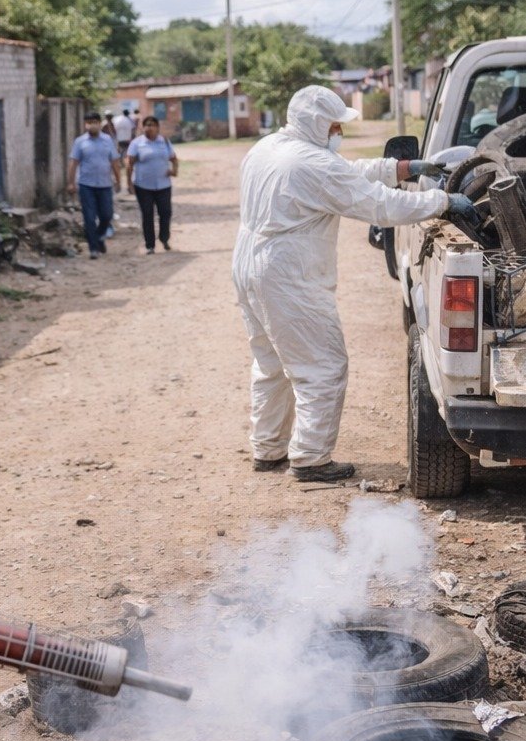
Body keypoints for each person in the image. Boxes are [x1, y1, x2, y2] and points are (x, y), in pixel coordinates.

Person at [231, 85, 477, 483]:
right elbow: (378, 204)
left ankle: (268, 448)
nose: (337, 133)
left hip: (249, 264)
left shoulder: (268, 148)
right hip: (287, 274)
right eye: (334, 125)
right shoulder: (312, 163)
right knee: (323, 367)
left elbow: (343, 174)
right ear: (317, 124)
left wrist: (403, 169)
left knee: (270, 364)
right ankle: (310, 458)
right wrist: (442, 203)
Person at [68, 112, 121, 258]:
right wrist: (71, 183)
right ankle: (93, 249)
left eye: (95, 121)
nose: (92, 124)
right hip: (86, 185)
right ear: (85, 124)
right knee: (89, 218)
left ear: (99, 123)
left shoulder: (107, 140)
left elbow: (114, 161)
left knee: (106, 215)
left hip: (105, 184)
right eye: (89, 122)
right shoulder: (80, 142)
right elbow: (73, 163)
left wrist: (118, 180)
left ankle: (98, 237)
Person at [124, 115, 178, 254]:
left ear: (157, 127)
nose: (149, 127)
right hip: (143, 186)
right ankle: (150, 245)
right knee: (147, 215)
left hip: (164, 185)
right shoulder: (137, 143)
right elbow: (129, 164)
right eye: (146, 124)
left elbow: (173, 158)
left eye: (152, 124)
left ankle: (164, 238)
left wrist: (174, 171)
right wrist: (129, 183)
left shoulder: (164, 142)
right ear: (142, 127)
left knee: (165, 213)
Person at [111, 107, 136, 193]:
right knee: (128, 163)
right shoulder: (130, 120)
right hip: (127, 142)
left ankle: (120, 184)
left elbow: (114, 130)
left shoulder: (117, 119)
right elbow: (133, 130)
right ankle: (129, 185)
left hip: (119, 142)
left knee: (118, 162)